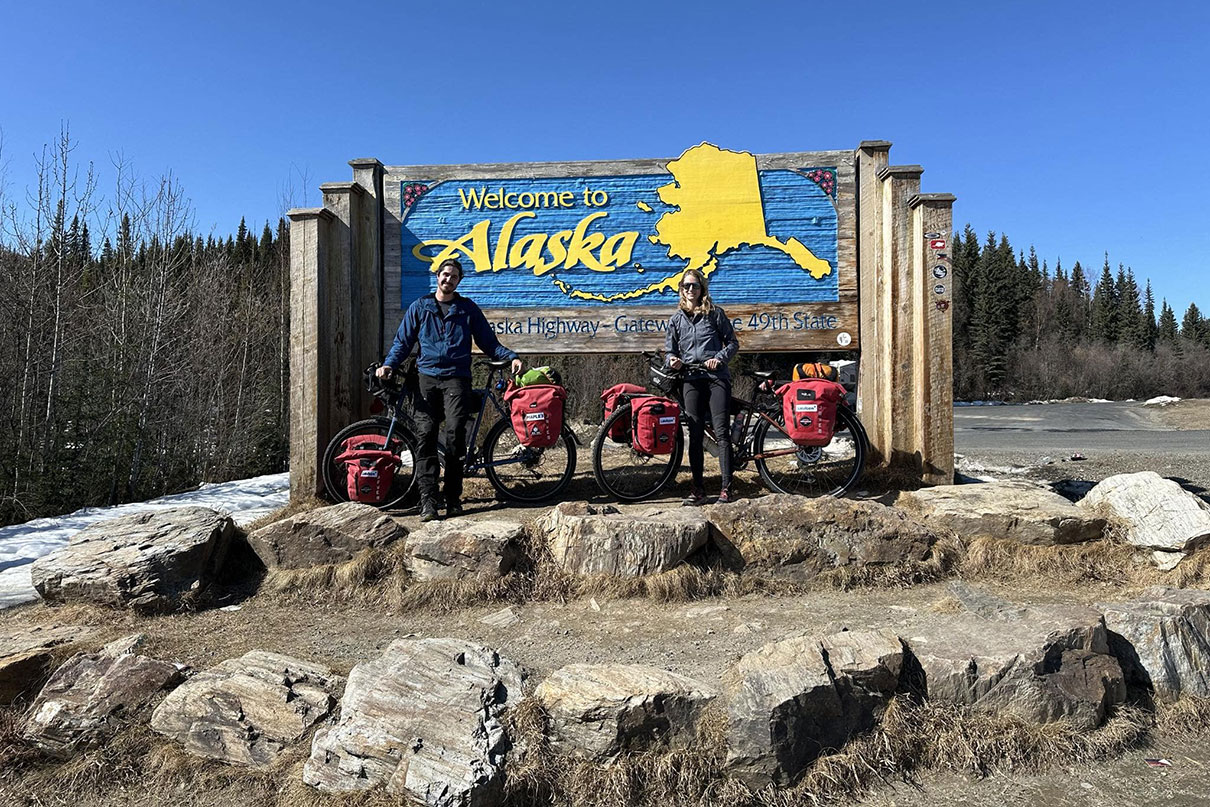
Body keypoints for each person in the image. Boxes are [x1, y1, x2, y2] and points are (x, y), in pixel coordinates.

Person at [377, 258, 522, 521]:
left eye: (454, 276)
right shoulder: (420, 307)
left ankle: (453, 498)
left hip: (457, 380)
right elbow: (403, 342)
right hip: (426, 379)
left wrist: (511, 356)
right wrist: (389, 365)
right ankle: (429, 502)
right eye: (445, 275)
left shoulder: (467, 309)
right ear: (437, 276)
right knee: (426, 436)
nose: (448, 279)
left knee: (455, 437)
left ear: (459, 281)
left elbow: (489, 342)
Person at [664, 269, 740, 505]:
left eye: (694, 286)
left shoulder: (715, 314)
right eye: (686, 286)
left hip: (716, 377)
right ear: (681, 289)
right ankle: (698, 489)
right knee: (695, 435)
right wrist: (672, 361)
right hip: (691, 378)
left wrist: (719, 358)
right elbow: (670, 351)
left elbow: (733, 343)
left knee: (721, 432)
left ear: (702, 289)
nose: (690, 290)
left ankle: (726, 487)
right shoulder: (676, 320)